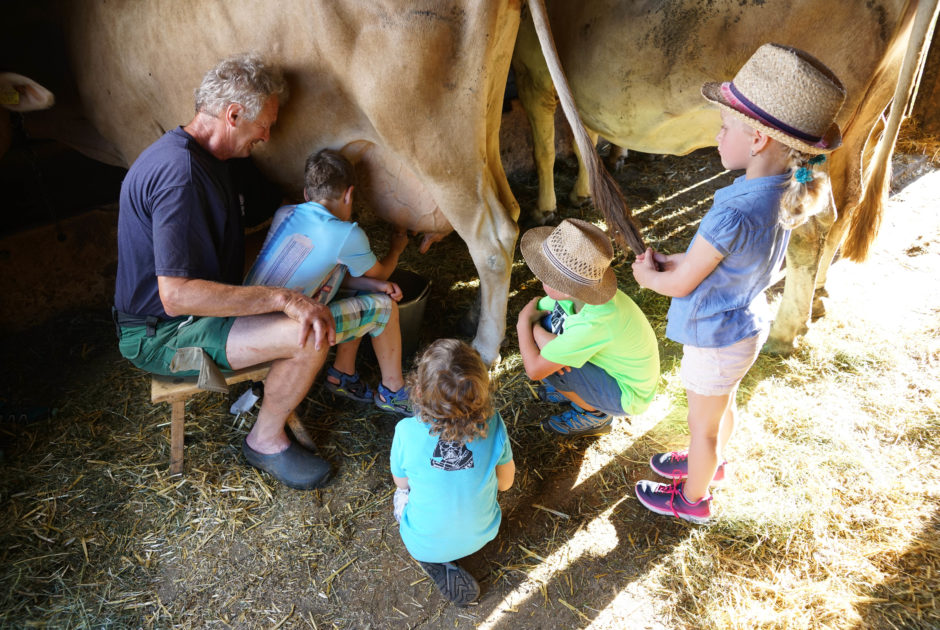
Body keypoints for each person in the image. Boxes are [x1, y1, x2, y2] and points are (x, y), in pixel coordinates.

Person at [631, 43, 846, 523]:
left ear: (756, 141)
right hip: (745, 326)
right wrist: (677, 258)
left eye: (725, 126)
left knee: (699, 427)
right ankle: (711, 464)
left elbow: (683, 285)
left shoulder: (732, 209)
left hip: (715, 335)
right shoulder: (782, 192)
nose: (717, 132)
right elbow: (714, 261)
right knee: (719, 412)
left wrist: (649, 276)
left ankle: (692, 498)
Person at [113, 53, 336, 490]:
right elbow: (175, 295)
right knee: (309, 335)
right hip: (161, 335)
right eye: (264, 124)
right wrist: (281, 298)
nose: (268, 136)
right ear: (233, 114)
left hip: (191, 315)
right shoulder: (179, 175)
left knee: (307, 300)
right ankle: (265, 439)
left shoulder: (205, 159)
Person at [244, 148, 412, 414]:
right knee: (384, 308)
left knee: (358, 287)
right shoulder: (346, 234)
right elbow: (381, 273)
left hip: (244, 323)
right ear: (348, 194)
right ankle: (393, 391)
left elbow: (322, 277)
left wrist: (371, 286)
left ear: (307, 194)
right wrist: (397, 249)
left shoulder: (285, 213)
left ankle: (341, 374)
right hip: (281, 334)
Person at [390, 339, 515, 606]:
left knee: (401, 495)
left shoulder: (405, 431)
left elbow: (401, 482)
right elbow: (506, 484)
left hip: (421, 541)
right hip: (485, 531)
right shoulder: (493, 424)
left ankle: (429, 556)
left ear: (419, 393)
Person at [515, 218, 660, 436]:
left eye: (546, 276)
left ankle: (595, 415)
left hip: (627, 395)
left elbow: (535, 369)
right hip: (610, 370)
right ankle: (576, 390)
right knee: (549, 330)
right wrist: (538, 329)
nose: (539, 278)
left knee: (555, 368)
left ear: (565, 288)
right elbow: (539, 307)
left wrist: (523, 323)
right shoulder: (582, 296)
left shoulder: (595, 321)